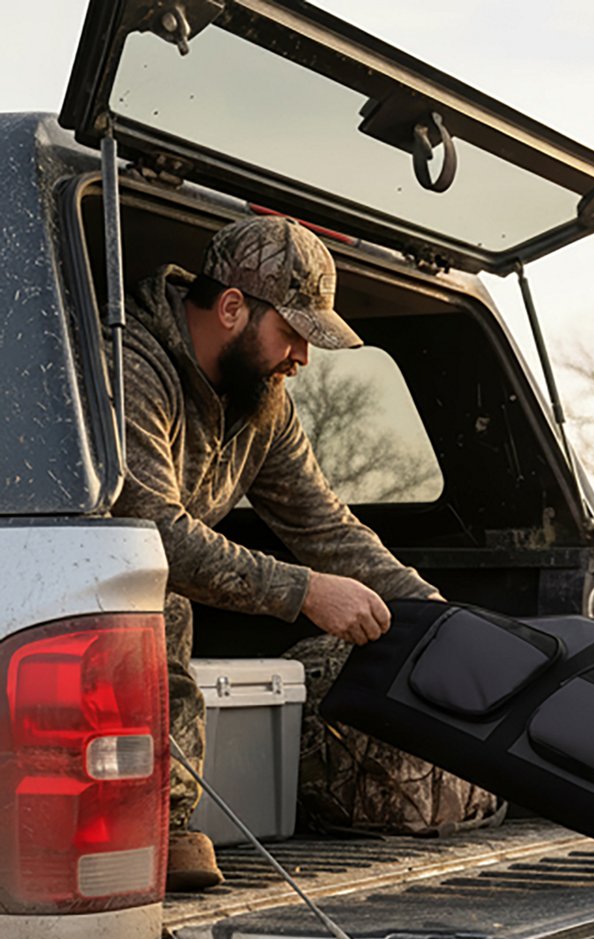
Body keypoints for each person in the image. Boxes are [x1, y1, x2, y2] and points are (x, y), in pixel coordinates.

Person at [114, 215, 440, 891]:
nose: (303, 358)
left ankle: (169, 826)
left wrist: (437, 616)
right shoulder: (130, 368)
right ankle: (153, 826)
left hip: (152, 592)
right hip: (93, 598)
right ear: (232, 307)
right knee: (151, 589)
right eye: (293, 334)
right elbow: (149, 531)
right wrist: (307, 591)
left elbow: (326, 527)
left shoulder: (263, 403)